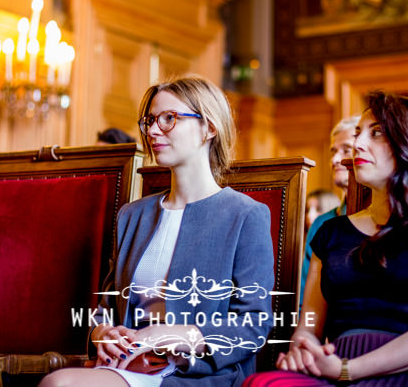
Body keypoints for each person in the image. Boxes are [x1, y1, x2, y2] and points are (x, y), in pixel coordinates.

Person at [40, 76, 274, 387]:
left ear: (209, 128)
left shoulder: (246, 215)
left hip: (198, 375)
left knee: (61, 385)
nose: (152, 131)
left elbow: (253, 324)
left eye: (169, 119)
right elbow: (106, 309)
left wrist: (170, 334)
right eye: (150, 120)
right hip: (127, 366)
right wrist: (104, 333)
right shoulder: (133, 215)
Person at [245, 91, 408, 386]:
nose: (357, 144)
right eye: (358, 134)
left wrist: (350, 369)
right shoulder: (331, 232)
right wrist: (302, 352)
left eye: (377, 133)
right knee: (263, 384)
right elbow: (309, 327)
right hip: (336, 366)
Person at [299, 116, 359, 301]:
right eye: (333, 151)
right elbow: (303, 299)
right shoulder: (321, 224)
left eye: (346, 150)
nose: (334, 159)